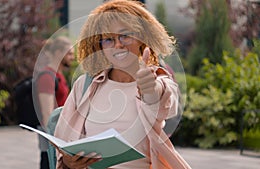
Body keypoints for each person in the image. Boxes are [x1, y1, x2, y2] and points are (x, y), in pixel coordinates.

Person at [54, 0, 191, 168]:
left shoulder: (156, 79)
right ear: (100, 46)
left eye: (125, 35)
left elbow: (163, 99)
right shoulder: (84, 86)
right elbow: (62, 142)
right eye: (108, 39)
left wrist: (150, 89)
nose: (118, 44)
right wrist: (68, 161)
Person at [34, 36, 75, 169]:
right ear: (58, 53)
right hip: (51, 137)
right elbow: (47, 115)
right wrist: (55, 142)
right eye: (69, 53)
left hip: (60, 134)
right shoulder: (47, 77)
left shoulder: (58, 75)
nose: (72, 57)